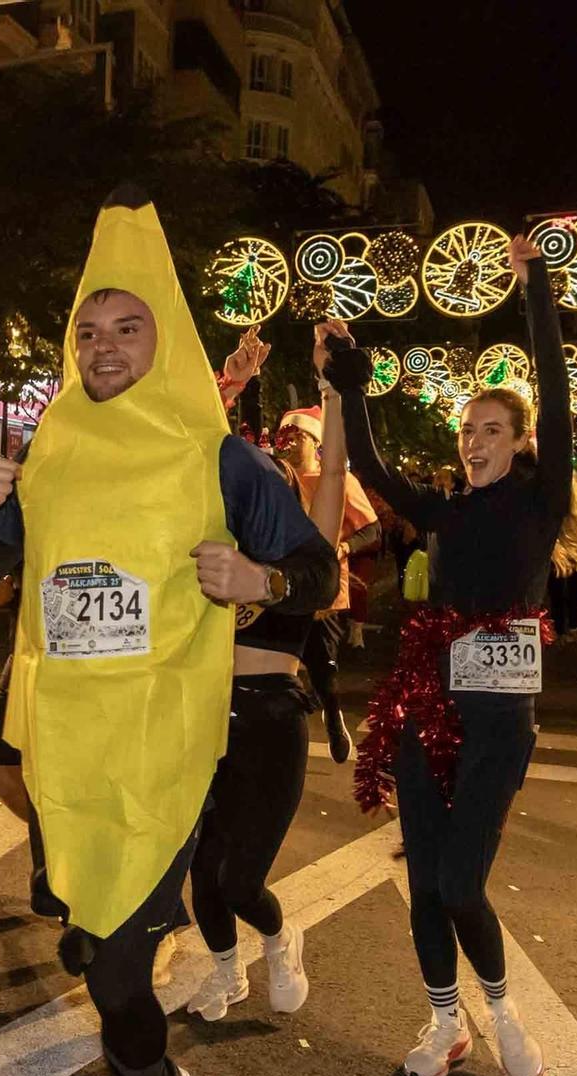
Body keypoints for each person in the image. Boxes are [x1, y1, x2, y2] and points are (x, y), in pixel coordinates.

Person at [0, 189, 335, 1076]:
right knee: (88, 947)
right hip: (63, 747)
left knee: (118, 962)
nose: (103, 347)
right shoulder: (51, 448)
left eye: (125, 327)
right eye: (87, 329)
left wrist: (257, 576)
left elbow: (317, 568)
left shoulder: (215, 456)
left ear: (161, 335)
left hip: (164, 747)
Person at [320, 236, 573, 1076]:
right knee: (426, 882)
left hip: (501, 724)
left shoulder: (540, 502)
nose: (474, 443)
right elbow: (368, 464)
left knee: (464, 881)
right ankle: (443, 1021)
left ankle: (501, 1010)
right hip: (426, 709)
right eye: (468, 431)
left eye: (491, 431)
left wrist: (534, 287)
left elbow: (561, 395)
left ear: (519, 439)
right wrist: (349, 374)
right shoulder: (441, 507)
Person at [182, 332, 350, 1026]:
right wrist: (230, 383)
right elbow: (196, 451)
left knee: (240, 876)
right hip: (203, 712)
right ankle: (227, 971)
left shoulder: (299, 543)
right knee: (201, 871)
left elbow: (334, 473)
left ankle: (282, 938)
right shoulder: (211, 539)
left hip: (272, 717)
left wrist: (336, 389)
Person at [280, 404, 381, 762]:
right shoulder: (277, 477)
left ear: (315, 441)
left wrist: (344, 545)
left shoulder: (337, 481)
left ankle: (331, 710)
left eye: (297, 437)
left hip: (325, 592)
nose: (288, 445)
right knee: (278, 665)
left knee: (323, 669)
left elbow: (372, 528)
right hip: (283, 587)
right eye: (284, 437)